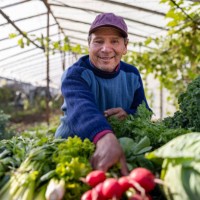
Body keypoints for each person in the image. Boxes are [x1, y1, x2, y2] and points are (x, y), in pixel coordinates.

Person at [55, 13, 151, 175]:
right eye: (98, 41)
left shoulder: (132, 74)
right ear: (89, 45)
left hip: (115, 149)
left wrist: (128, 113)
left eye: (114, 41)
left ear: (125, 47)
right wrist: (104, 136)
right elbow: (82, 108)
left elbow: (144, 111)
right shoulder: (76, 74)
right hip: (71, 150)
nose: (106, 49)